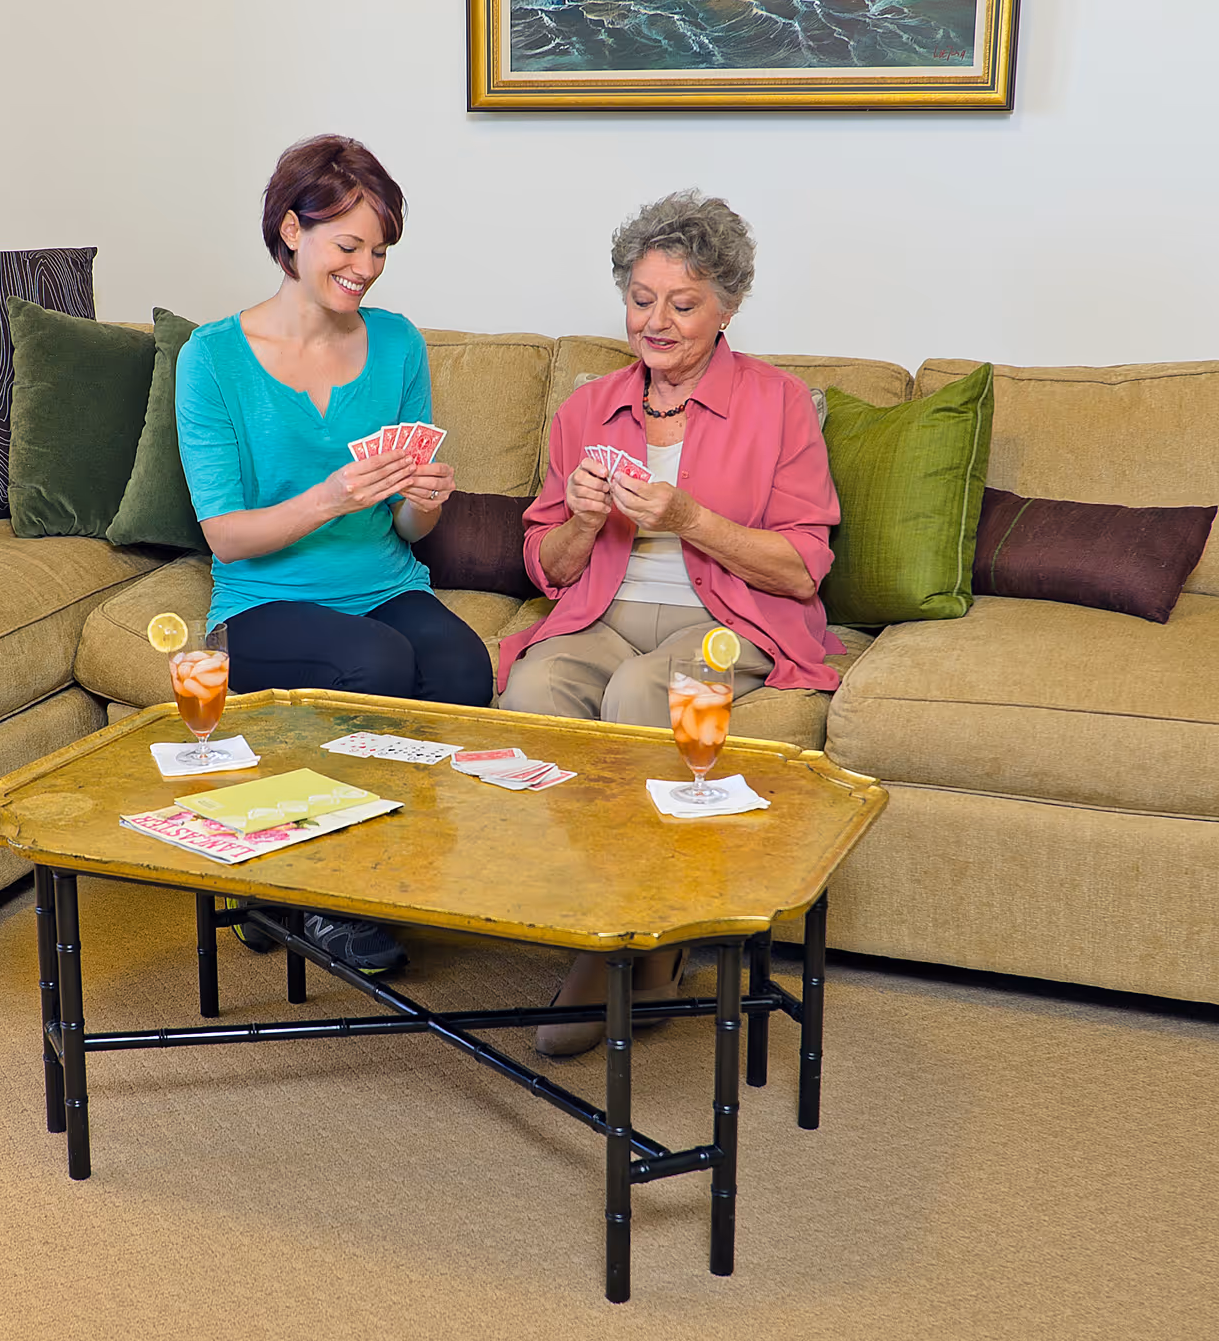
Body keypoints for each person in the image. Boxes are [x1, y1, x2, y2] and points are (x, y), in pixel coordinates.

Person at [496, 190, 844, 1055]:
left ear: (727, 306)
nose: (657, 321)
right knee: (534, 681)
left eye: (683, 304)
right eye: (641, 299)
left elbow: (803, 565)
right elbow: (547, 569)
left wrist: (690, 519)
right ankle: (582, 916)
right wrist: (577, 516)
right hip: (602, 612)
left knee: (646, 693)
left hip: (727, 617)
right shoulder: (588, 407)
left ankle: (645, 945)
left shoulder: (779, 405)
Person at [175, 134, 493, 975]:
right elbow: (225, 536)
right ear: (290, 230)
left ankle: (395, 872)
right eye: (349, 245)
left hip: (382, 581)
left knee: (462, 668)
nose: (367, 268)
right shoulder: (211, 359)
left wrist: (422, 504)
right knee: (377, 662)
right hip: (259, 605)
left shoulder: (396, 345)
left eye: (380, 250)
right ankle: (321, 893)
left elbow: (406, 531)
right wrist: (330, 496)